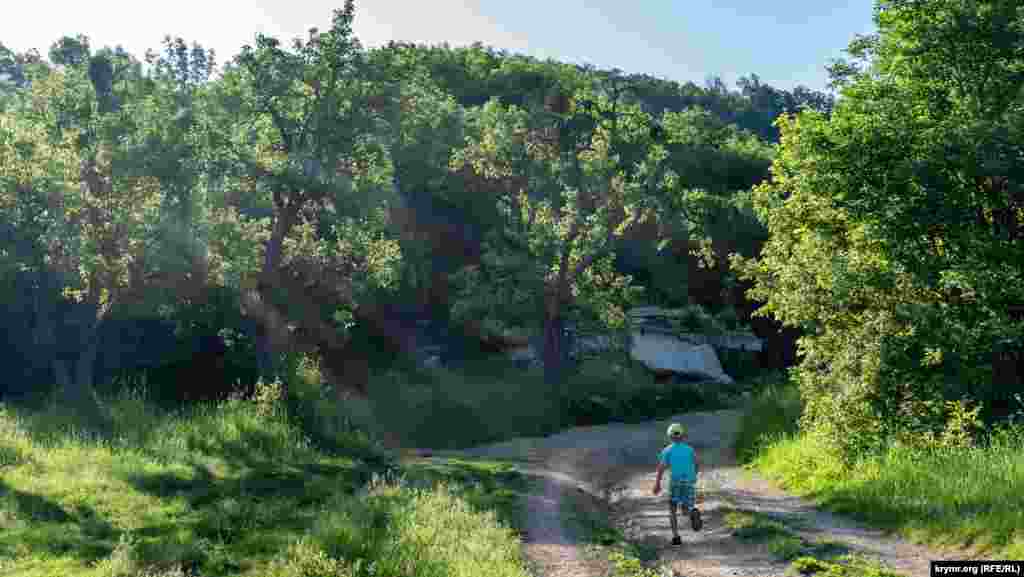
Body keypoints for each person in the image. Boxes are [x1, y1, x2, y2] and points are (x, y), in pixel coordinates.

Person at [652, 422, 702, 545]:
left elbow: (661, 468)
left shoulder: (667, 451)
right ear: (683, 435)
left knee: (672, 509)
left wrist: (657, 483)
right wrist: (693, 477)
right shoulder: (690, 449)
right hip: (688, 481)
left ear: (669, 436)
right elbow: (696, 464)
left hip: (675, 482)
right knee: (686, 508)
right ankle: (692, 513)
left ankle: (676, 537)